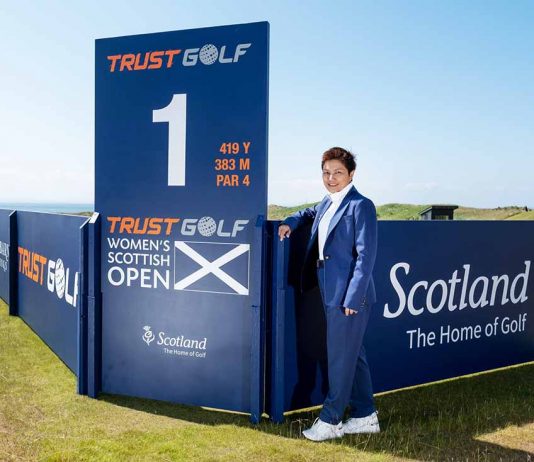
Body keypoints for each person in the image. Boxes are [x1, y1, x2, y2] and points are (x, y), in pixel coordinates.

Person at [278, 147, 379, 442]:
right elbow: (307, 213)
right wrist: (290, 221)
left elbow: (366, 256)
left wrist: (353, 298)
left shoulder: (361, 205)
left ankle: (331, 420)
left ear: (351, 174)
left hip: (348, 294)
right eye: (326, 172)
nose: (331, 178)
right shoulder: (327, 202)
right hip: (326, 286)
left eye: (337, 173)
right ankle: (365, 415)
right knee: (352, 355)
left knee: (339, 358)